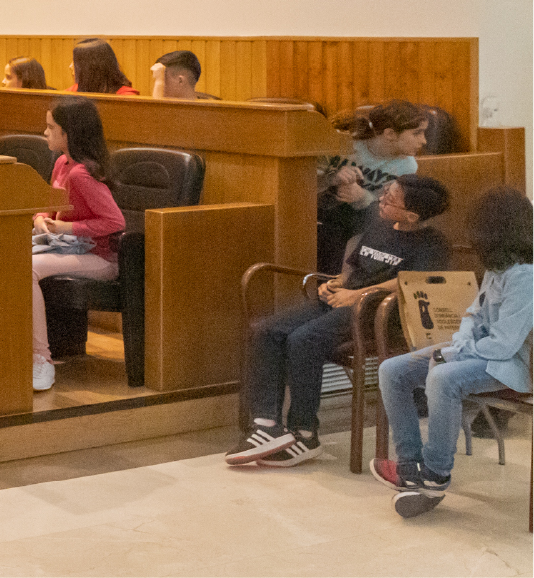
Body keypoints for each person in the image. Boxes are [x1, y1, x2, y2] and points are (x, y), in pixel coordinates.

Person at [227, 175, 451, 469]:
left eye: (390, 199)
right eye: (385, 193)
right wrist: (334, 284)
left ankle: (305, 433)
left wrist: (357, 295)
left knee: (303, 339)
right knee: (266, 330)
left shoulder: (433, 244)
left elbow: (408, 283)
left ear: (412, 215)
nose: (381, 200)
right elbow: (354, 269)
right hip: (346, 300)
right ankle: (267, 424)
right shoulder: (379, 227)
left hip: (377, 313)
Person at [373, 187, 532, 517]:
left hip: (512, 365)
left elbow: (504, 345)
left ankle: (435, 475)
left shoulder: (526, 277)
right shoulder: (499, 268)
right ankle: (410, 465)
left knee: (443, 377)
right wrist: (458, 345)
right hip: (477, 352)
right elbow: (473, 313)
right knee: (392, 371)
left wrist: (456, 354)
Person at [28, 98, 127, 393]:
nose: (45, 133)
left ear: (67, 133)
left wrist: (67, 226)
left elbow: (115, 221)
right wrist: (41, 220)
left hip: (99, 258)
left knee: (27, 268)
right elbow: (48, 207)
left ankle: (42, 359)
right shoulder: (61, 163)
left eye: (51, 127)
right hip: (67, 248)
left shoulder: (82, 173)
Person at [315, 100, 429, 272]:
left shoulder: (407, 166)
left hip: (361, 220)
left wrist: (362, 197)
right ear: (390, 134)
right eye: (417, 133)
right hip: (318, 211)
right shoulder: (345, 142)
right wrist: (332, 178)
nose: (424, 141)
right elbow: (299, 184)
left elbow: (388, 207)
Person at [69, 39, 137, 95]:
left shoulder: (126, 98)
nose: (70, 66)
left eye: (75, 61)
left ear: (92, 67)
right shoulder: (72, 91)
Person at [150, 50, 215, 101]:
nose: (156, 88)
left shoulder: (211, 111)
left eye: (163, 78)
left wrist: (159, 83)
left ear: (180, 81)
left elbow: (157, 115)